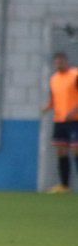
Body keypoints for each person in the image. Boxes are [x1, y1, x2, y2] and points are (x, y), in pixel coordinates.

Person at [42, 52, 78, 193]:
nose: (59, 64)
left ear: (66, 61)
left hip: (75, 120)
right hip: (60, 120)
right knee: (61, 151)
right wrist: (46, 107)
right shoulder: (54, 79)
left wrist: (74, 111)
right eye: (56, 62)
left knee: (76, 150)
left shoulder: (75, 76)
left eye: (61, 61)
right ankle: (64, 185)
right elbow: (54, 99)